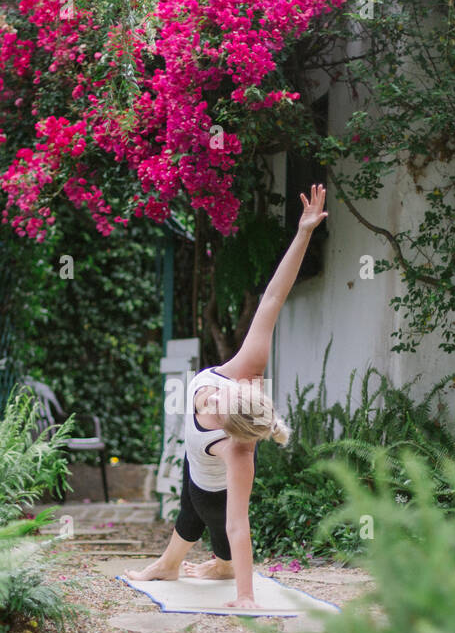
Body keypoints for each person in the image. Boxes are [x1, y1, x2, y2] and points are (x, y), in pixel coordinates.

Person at [126, 184, 329, 609]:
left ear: (235, 434)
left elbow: (241, 525)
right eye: (225, 395)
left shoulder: (238, 454)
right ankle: (171, 563)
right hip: (194, 461)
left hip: (215, 492)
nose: (212, 398)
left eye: (219, 409)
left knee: (203, 515)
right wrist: (304, 233)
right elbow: (274, 296)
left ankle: (217, 566)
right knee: (188, 496)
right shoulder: (245, 368)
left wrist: (246, 596)